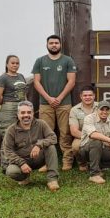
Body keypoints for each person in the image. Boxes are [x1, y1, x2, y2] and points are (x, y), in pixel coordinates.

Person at [32, 34, 77, 171]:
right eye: (51, 43)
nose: (54, 45)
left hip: (64, 103)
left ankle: (67, 160)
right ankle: (46, 162)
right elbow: (36, 82)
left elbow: (71, 81)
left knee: (65, 133)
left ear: (60, 45)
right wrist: (49, 98)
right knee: (46, 133)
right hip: (45, 104)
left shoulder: (68, 60)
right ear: (47, 45)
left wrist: (59, 97)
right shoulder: (40, 61)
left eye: (56, 43)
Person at [1, 101, 60, 191]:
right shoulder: (11, 130)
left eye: (29, 112)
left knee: (51, 147)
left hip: (39, 158)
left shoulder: (41, 124)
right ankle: (24, 177)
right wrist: (21, 163)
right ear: (18, 114)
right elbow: (7, 150)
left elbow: (53, 137)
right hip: (22, 161)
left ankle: (52, 179)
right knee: (11, 171)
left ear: (33, 113)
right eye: (23, 113)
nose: (26, 115)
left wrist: (39, 145)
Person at [0, 55, 27, 166]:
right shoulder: (3, 78)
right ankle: (6, 164)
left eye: (17, 63)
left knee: (20, 135)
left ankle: (18, 161)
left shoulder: (21, 76)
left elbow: (24, 94)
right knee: (8, 135)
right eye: (12, 63)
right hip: (8, 108)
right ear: (7, 64)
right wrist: (9, 104)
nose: (15, 65)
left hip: (21, 107)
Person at [69, 85, 98, 172]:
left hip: (100, 135)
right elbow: (74, 131)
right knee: (76, 146)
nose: (87, 97)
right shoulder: (74, 110)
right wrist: (90, 137)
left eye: (90, 95)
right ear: (81, 96)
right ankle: (82, 163)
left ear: (94, 96)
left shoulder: (101, 107)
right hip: (82, 136)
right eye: (85, 95)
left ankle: (101, 163)